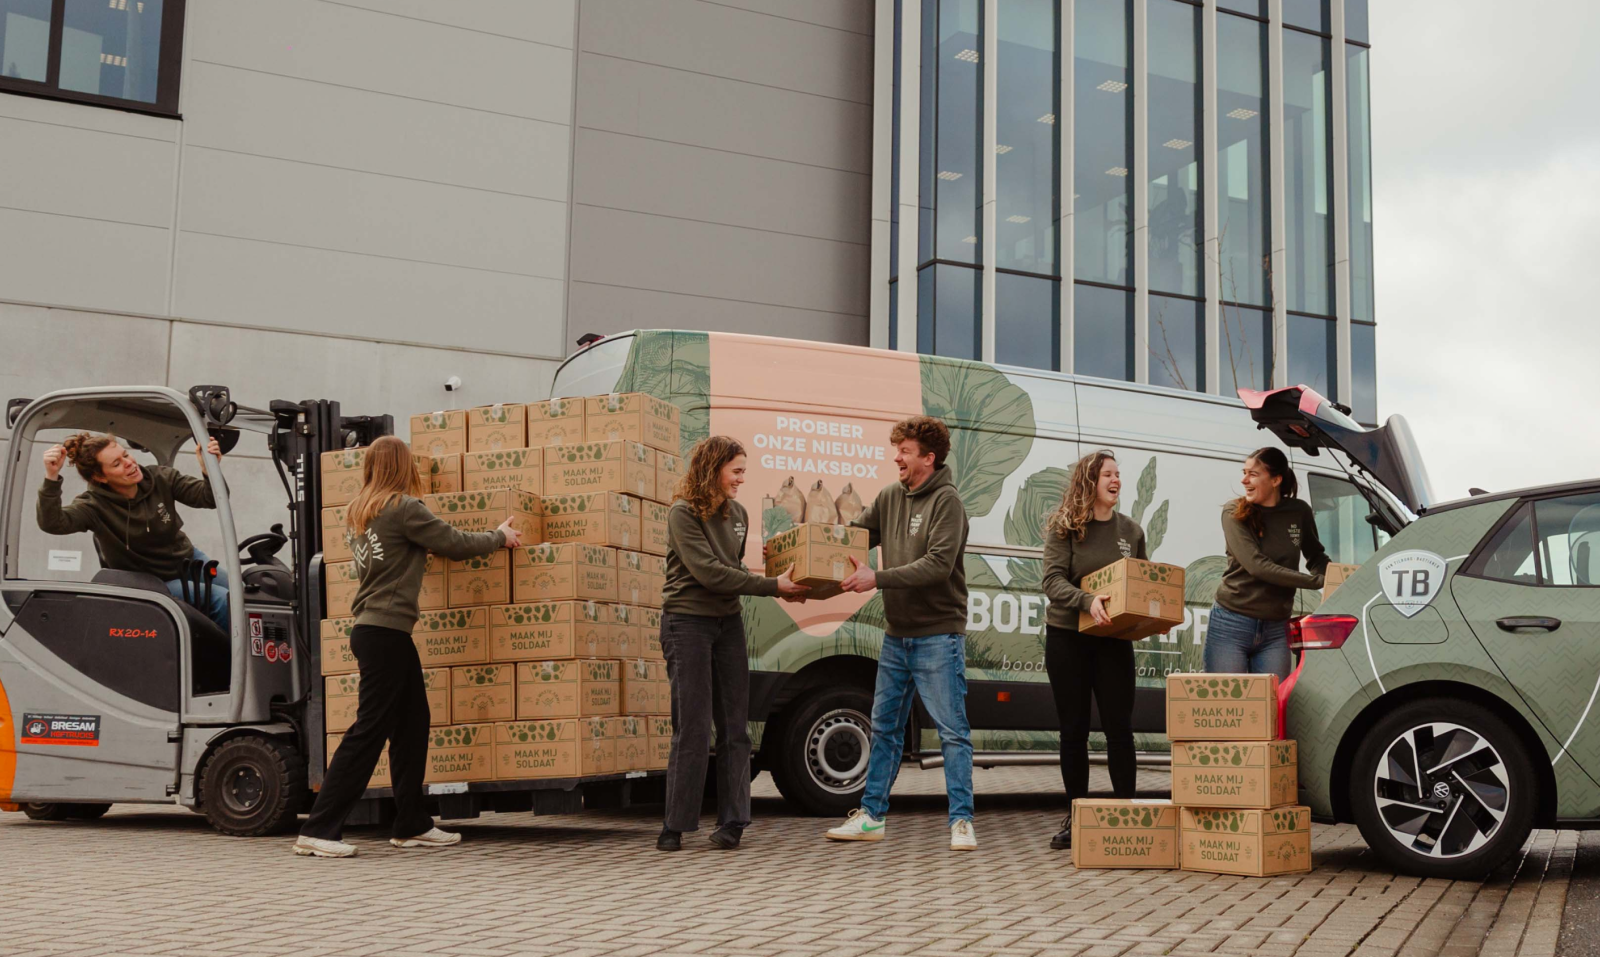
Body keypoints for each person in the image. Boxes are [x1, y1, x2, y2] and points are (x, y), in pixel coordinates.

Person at [293, 436, 522, 859]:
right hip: (385, 633)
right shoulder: (403, 508)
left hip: (378, 632)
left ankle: (412, 823)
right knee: (370, 729)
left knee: (413, 723)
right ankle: (319, 828)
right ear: (404, 466)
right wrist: (499, 536)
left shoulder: (360, 512)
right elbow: (454, 543)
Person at [826, 415, 975, 851]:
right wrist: (796, 549)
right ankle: (871, 816)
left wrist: (879, 578)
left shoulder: (948, 502)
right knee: (884, 728)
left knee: (952, 731)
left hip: (938, 635)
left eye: (905, 451)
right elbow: (853, 539)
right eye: (897, 450)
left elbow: (937, 566)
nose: (897, 458)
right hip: (897, 635)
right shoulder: (891, 496)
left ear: (928, 458)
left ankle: (962, 822)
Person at [658, 436, 808, 852]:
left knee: (735, 726)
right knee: (692, 727)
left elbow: (734, 566)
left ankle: (733, 822)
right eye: (736, 471)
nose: (742, 479)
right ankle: (675, 825)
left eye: (744, 470)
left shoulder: (739, 514)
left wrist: (778, 575)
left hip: (728, 623)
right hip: (686, 623)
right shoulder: (682, 513)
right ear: (712, 468)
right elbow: (709, 574)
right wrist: (772, 586)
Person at [1039, 450, 1146, 851]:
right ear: (1090, 481)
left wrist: (1146, 618)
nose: (1116, 480)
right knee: (1074, 730)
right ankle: (1077, 816)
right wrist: (1088, 601)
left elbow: (1140, 581)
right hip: (1068, 638)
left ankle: (1128, 812)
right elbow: (1052, 581)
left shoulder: (1131, 532)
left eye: (1119, 474)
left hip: (1113, 643)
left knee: (1120, 729)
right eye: (1108, 474)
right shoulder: (1066, 527)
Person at [38, 432, 232, 631]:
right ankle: (234, 660)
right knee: (223, 601)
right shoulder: (93, 506)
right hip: (152, 582)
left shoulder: (160, 478)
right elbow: (52, 523)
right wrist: (51, 477)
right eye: (116, 464)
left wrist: (209, 469)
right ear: (100, 477)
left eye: (126, 455)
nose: (129, 463)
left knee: (242, 595)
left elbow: (212, 498)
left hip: (187, 560)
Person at [1206, 446, 1328, 679]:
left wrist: (1333, 578)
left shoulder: (1298, 511)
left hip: (1276, 629)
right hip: (1231, 622)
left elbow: (1316, 556)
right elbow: (1256, 565)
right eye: (1244, 472)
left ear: (1276, 479)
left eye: (1253, 474)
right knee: (1229, 707)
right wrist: (1315, 582)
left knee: (1271, 707)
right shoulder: (1233, 512)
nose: (1244, 480)